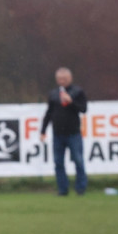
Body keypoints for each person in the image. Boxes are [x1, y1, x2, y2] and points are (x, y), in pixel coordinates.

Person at [40, 67, 88, 195]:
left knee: (78, 160)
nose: (61, 81)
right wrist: (43, 130)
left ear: (70, 78)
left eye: (64, 79)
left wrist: (71, 102)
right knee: (58, 162)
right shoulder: (54, 94)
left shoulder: (78, 92)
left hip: (73, 134)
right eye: (59, 79)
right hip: (58, 135)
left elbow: (83, 109)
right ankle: (62, 189)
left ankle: (80, 188)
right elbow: (49, 113)